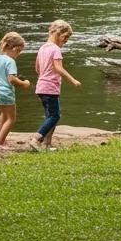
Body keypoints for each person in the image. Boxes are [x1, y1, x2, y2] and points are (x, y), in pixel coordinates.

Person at [32, 19, 82, 151]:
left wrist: (44, 76)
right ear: (58, 33)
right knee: (55, 116)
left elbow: (37, 68)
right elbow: (58, 68)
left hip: (41, 87)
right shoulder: (55, 49)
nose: (66, 41)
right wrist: (73, 80)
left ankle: (47, 144)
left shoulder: (42, 48)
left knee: (50, 117)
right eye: (65, 37)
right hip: (50, 88)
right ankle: (36, 139)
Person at [0, 32, 32, 146]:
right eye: (19, 52)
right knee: (11, 119)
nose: (18, 55)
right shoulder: (11, 61)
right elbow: (12, 79)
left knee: (3, 114)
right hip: (5, 93)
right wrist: (24, 84)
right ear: (15, 49)